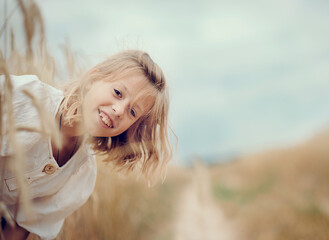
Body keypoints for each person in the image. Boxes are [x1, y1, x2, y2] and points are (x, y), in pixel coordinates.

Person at [0, 50, 172, 240]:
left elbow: (18, 227)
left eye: (132, 112)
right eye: (117, 93)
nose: (119, 110)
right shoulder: (24, 98)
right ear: (92, 80)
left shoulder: (81, 173)